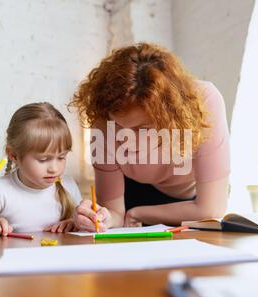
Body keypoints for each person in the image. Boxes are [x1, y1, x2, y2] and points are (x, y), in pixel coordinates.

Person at [70, 43, 230, 232]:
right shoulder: (103, 120)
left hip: (190, 201)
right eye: (119, 126)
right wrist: (100, 217)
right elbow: (114, 213)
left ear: (170, 116)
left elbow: (211, 209)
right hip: (132, 195)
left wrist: (138, 213)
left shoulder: (204, 102)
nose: (125, 140)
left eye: (142, 128)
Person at [0, 102, 82, 235]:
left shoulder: (69, 186)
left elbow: (84, 228)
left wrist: (75, 224)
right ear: (14, 155)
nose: (54, 169)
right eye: (43, 160)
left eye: (61, 157)